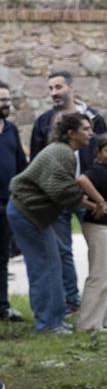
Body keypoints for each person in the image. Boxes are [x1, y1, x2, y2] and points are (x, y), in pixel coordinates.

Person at [6, 113, 107, 333]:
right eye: (85, 129)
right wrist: (96, 204)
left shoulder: (64, 151)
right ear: (71, 133)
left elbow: (63, 189)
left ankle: (53, 320)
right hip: (26, 212)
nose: (90, 133)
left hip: (28, 212)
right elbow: (61, 191)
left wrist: (94, 203)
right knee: (45, 267)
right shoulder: (62, 152)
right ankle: (48, 324)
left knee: (50, 264)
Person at [30, 70, 107, 316]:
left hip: (89, 192)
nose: (54, 92)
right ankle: (71, 301)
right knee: (62, 249)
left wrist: (101, 192)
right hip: (58, 195)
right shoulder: (44, 121)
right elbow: (36, 159)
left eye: (58, 87)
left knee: (100, 247)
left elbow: (106, 152)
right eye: (50, 88)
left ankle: (103, 304)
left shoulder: (93, 117)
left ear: (71, 88)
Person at [76, 134, 107, 332]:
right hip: (98, 226)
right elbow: (81, 180)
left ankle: (106, 318)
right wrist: (99, 201)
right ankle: (88, 324)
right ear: (98, 152)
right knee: (100, 274)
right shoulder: (96, 170)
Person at [0, 82, 27, 322]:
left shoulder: (11, 130)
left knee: (2, 258)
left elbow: (21, 166)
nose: (6, 104)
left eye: (7, 100)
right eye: (2, 100)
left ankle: (2, 306)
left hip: (6, 205)